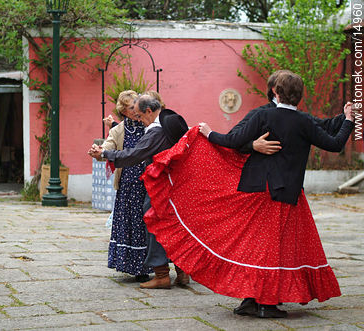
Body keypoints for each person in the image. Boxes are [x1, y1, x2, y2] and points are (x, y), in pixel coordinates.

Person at [140, 71, 354, 317]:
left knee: (257, 247)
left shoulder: (263, 115)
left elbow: (232, 140)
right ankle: (265, 302)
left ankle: (253, 300)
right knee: (270, 249)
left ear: (275, 91)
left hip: (257, 188)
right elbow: (334, 143)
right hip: (284, 192)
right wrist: (348, 120)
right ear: (299, 95)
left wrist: (208, 133)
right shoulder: (301, 121)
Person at [89, 94, 190, 289]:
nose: (139, 120)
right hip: (174, 184)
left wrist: (104, 154)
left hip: (159, 185)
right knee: (173, 226)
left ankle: (161, 275)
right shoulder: (171, 120)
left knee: (153, 224)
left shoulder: (156, 131)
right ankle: (182, 271)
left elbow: (134, 154)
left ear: (149, 111)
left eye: (140, 116)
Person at [95, 90, 151, 282]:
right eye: (131, 106)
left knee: (148, 223)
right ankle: (137, 268)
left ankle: (157, 266)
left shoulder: (149, 125)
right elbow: (108, 146)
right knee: (132, 224)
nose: (136, 108)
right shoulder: (118, 130)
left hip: (150, 183)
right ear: (124, 111)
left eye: (137, 103)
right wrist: (99, 151)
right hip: (128, 185)